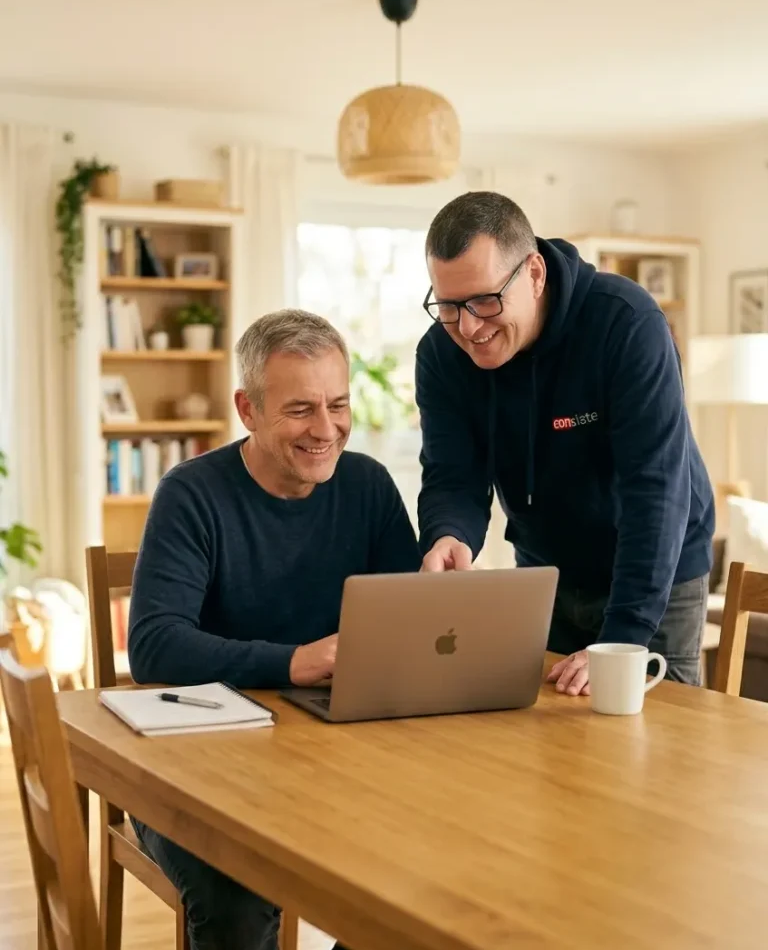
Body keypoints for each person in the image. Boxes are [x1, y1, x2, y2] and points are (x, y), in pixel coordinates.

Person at [127, 308, 422, 950]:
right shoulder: (191, 494)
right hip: (199, 769)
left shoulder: (368, 486)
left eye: (337, 405)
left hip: (335, 762)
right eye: (300, 410)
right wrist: (292, 662)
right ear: (248, 409)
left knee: (421, 867)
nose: (326, 430)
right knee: (238, 898)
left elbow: (411, 619)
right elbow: (152, 645)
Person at [415, 191, 714, 696]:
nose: (467, 327)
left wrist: (622, 639)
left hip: (655, 571)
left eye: (484, 301)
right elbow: (452, 473)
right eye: (447, 305)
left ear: (534, 274)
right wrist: (450, 533)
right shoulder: (441, 355)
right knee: (550, 734)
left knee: (656, 734)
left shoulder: (626, 323)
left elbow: (655, 489)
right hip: (545, 572)